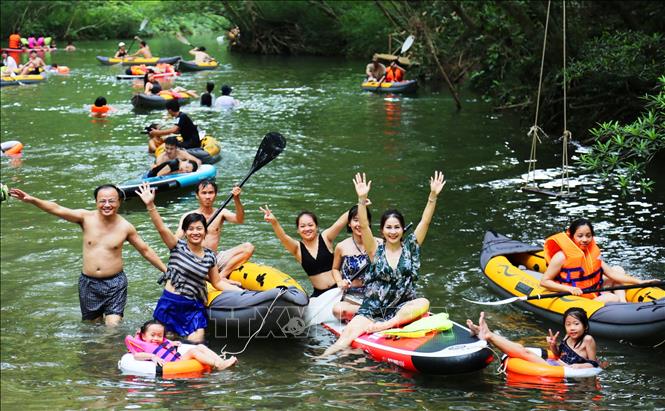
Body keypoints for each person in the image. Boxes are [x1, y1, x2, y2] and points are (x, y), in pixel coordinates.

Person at [322, 171, 446, 356]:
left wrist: (432, 196)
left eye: (397, 227)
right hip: (374, 307)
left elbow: (425, 221)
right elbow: (363, 226)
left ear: (402, 230)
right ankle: (320, 360)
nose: (393, 231)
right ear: (382, 230)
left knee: (424, 302)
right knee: (346, 338)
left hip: (401, 308)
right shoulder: (375, 250)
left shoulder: (410, 247)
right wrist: (361, 199)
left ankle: (384, 326)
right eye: (388, 227)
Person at [9, 185, 167, 326]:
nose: (107, 205)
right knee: (92, 326)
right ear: (96, 202)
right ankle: (97, 356)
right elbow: (56, 208)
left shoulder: (125, 227)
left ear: (119, 202)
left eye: (111, 201)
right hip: (89, 283)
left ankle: (112, 352)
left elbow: (145, 250)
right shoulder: (85, 218)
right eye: (102, 201)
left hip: (115, 283)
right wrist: (31, 200)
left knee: (113, 327)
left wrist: (166, 271)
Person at [136, 183, 242, 342]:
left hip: (193, 306)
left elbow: (218, 282)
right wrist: (150, 205)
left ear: (205, 232)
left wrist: (243, 294)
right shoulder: (177, 247)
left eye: (199, 228)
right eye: (191, 229)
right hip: (170, 303)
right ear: (185, 233)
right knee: (167, 339)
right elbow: (162, 229)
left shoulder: (209, 257)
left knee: (197, 340)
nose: (195, 232)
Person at [540, 218, 656, 303]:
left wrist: (640, 282)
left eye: (588, 235)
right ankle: (620, 303)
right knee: (613, 298)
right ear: (572, 236)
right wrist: (569, 289)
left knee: (618, 269)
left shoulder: (592, 252)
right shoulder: (561, 256)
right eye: (580, 236)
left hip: (594, 290)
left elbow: (611, 274)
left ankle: (623, 303)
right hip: (577, 295)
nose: (585, 240)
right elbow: (544, 281)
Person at [261, 205, 349, 298]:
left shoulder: (326, 237)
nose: (307, 229)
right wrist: (274, 222)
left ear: (316, 227)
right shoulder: (297, 248)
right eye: (302, 226)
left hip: (340, 288)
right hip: (319, 295)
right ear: (298, 230)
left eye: (310, 225)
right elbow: (283, 237)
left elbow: (341, 222)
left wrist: (361, 202)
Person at [467, 309, 599, 369]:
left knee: (525, 352)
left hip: (562, 369)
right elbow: (559, 355)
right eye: (568, 324)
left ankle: (488, 335)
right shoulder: (567, 335)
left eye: (576, 324)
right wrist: (553, 346)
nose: (572, 328)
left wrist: (575, 367)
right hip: (556, 364)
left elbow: (594, 364)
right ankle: (484, 333)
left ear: (585, 326)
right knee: (520, 349)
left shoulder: (588, 339)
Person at [176, 180, 254, 278]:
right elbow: (176, 240)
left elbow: (240, 219)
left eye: (211, 193)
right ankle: (213, 278)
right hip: (196, 261)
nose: (208, 196)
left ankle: (221, 276)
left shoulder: (221, 213)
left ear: (215, 195)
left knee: (248, 247)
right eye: (204, 193)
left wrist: (236, 199)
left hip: (215, 258)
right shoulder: (188, 216)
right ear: (197, 195)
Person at [330, 204, 381, 321]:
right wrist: (339, 281)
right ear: (349, 223)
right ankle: (373, 313)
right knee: (338, 310)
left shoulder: (380, 243)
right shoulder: (341, 246)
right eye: (355, 220)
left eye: (363, 220)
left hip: (375, 295)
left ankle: (370, 312)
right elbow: (335, 269)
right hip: (351, 297)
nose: (359, 224)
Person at [126, 319, 237, 370]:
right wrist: (152, 356)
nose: (156, 338)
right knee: (193, 351)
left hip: (178, 359)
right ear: (144, 336)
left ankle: (221, 362)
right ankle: (217, 365)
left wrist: (172, 343)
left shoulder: (162, 341)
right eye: (152, 335)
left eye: (159, 335)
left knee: (201, 346)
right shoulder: (143, 346)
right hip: (172, 364)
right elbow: (136, 356)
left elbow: (165, 342)